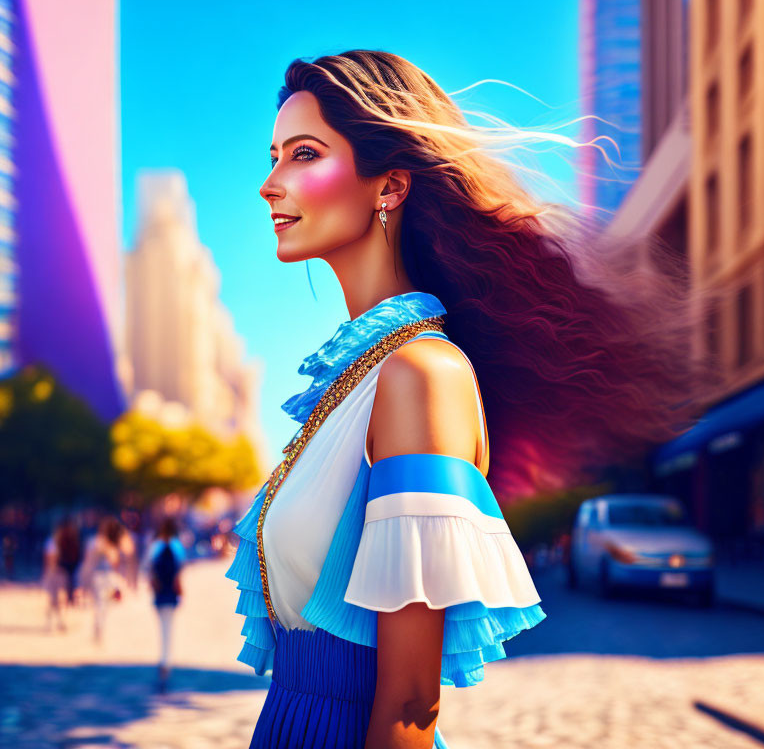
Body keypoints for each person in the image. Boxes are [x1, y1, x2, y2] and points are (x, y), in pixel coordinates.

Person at [226, 50, 708, 748]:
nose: (270, 184)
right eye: (273, 157)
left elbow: (411, 704)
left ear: (389, 187)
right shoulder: (357, 379)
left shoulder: (420, 376)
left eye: (304, 155)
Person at [146, 517, 185, 691]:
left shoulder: (155, 546)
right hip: (172, 592)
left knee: (162, 625)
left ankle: (163, 660)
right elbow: (181, 568)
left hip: (159, 592)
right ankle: (166, 661)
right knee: (169, 627)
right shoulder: (177, 546)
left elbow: (149, 569)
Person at [78, 515, 125, 644]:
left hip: (98, 577)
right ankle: (100, 628)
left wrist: (84, 578)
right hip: (108, 577)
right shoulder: (111, 544)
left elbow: (88, 562)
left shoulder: (94, 542)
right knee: (104, 605)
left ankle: (98, 627)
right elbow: (116, 563)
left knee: (99, 603)